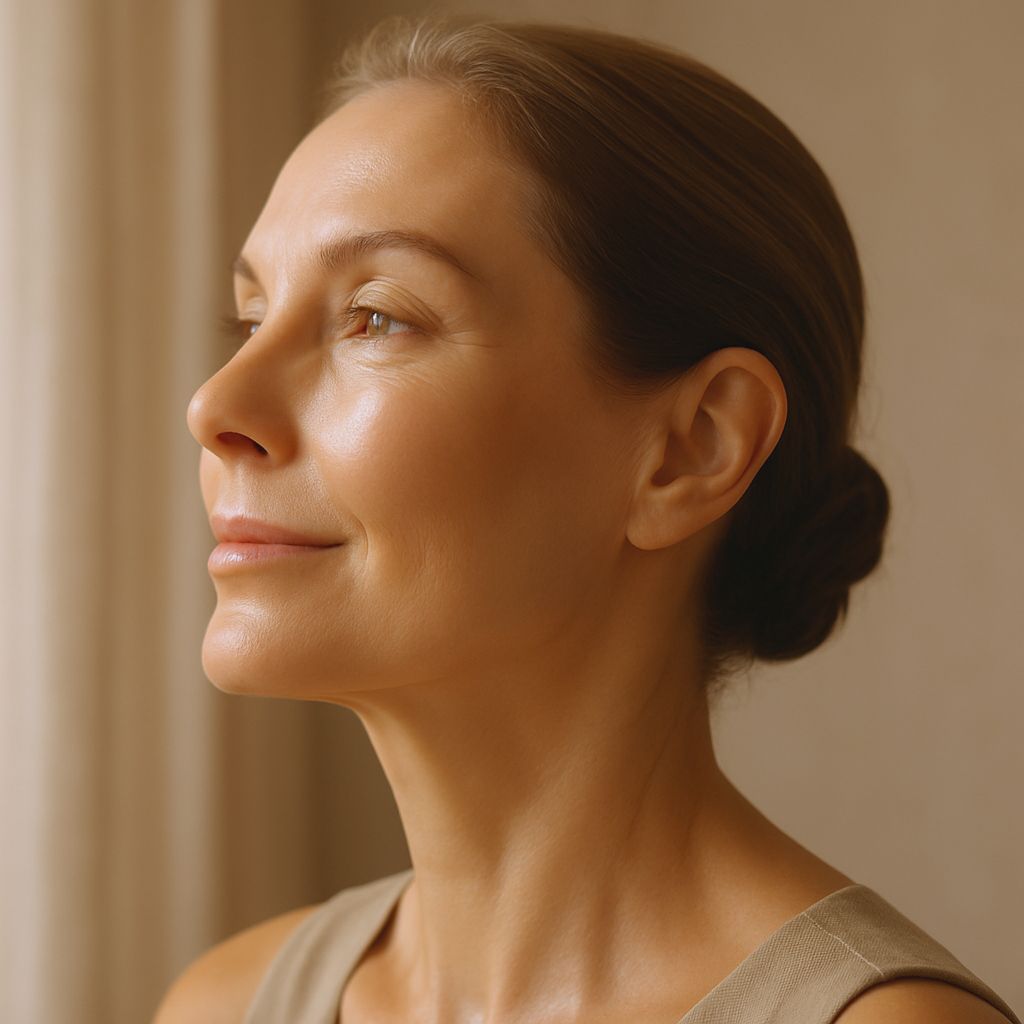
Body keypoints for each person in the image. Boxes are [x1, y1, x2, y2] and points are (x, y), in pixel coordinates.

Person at [154, 16, 1020, 1024]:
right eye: (252, 320)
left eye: (377, 316)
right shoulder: (224, 1004)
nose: (216, 404)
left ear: (690, 447)